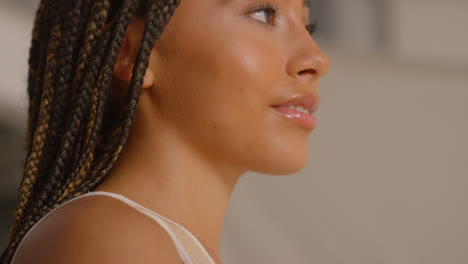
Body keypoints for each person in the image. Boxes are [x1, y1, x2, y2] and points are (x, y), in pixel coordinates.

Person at [1, 0, 330, 263]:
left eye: (307, 23)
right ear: (129, 51)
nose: (317, 58)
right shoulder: (112, 243)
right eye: (263, 14)